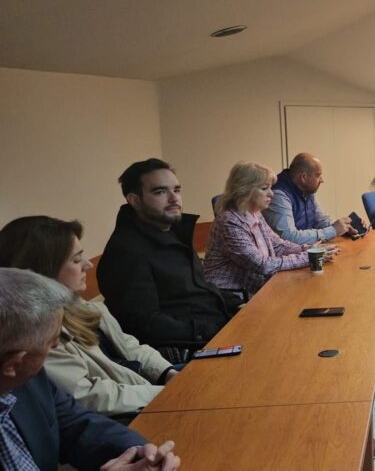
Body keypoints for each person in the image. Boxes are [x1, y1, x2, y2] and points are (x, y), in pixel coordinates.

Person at [0, 268, 181, 471]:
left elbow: (78, 425)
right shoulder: (28, 374)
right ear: (13, 364)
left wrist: (141, 454)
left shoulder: (30, 381)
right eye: (50, 341)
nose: (57, 345)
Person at [0, 217, 177, 419]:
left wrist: (167, 373)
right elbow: (88, 395)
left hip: (142, 389)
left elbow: (129, 346)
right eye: (76, 260)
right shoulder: (38, 335)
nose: (88, 265)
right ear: (42, 271)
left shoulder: (83, 305)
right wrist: (164, 392)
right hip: (123, 410)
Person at [98, 159, 237, 363]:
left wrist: (239, 306)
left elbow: (198, 289)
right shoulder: (126, 252)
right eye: (160, 192)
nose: (174, 198)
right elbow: (143, 323)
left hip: (216, 329)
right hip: (191, 349)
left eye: (177, 190)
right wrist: (214, 330)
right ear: (134, 200)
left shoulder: (170, 230)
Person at [204, 162, 333, 297]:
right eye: (264, 188)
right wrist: (308, 257)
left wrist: (310, 249)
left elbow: (278, 246)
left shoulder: (255, 213)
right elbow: (263, 265)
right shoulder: (229, 222)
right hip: (232, 298)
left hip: (258, 289)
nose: (271, 194)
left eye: (270, 188)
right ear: (244, 189)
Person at [263, 152, 359, 245]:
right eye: (318, 175)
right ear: (303, 177)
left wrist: (344, 227)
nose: (322, 180)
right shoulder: (279, 195)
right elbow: (289, 237)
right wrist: (333, 230)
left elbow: (320, 221)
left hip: (307, 249)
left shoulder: (305, 188)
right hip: (289, 253)